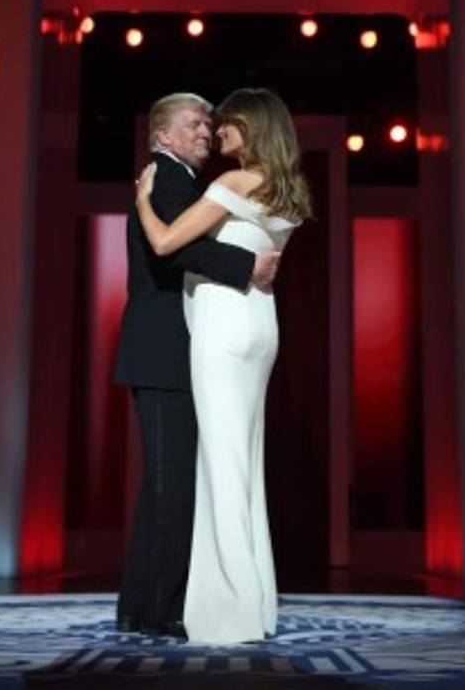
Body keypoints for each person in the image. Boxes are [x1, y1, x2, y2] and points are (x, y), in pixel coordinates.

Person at [135, 87, 312, 644]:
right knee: (245, 466)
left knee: (222, 468)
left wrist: (142, 197)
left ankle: (230, 609)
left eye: (227, 124)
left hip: (223, 331)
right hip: (261, 327)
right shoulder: (290, 190)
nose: (217, 133)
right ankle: (254, 602)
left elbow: (165, 242)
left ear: (252, 128)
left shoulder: (231, 183)